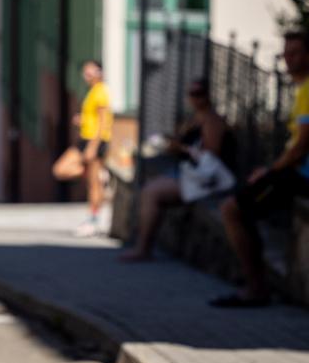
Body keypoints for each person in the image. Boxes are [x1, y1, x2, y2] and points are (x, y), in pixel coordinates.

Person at [211, 31, 309, 308]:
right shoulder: (305, 89)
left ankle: (255, 288)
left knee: (231, 210)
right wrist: (269, 171)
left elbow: (301, 146)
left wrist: (269, 173)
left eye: (295, 53)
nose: (289, 59)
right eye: (286, 54)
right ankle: (255, 283)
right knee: (239, 210)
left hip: (307, 177)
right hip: (297, 173)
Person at [119, 78, 234, 262]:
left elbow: (210, 153)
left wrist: (182, 148)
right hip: (188, 173)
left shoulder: (212, 120)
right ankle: (141, 243)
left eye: (199, 93)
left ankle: (142, 248)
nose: (195, 98)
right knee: (149, 188)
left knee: (150, 192)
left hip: (204, 179)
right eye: (192, 94)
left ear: (207, 95)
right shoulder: (192, 119)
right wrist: (173, 145)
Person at [72, 60, 112, 237]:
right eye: (85, 72)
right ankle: (102, 177)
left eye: (90, 72)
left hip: (95, 140)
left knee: (94, 184)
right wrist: (82, 119)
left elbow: (103, 122)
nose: (86, 75)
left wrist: (93, 147)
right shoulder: (92, 91)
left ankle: (93, 220)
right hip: (86, 137)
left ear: (99, 72)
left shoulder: (101, 91)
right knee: (64, 171)